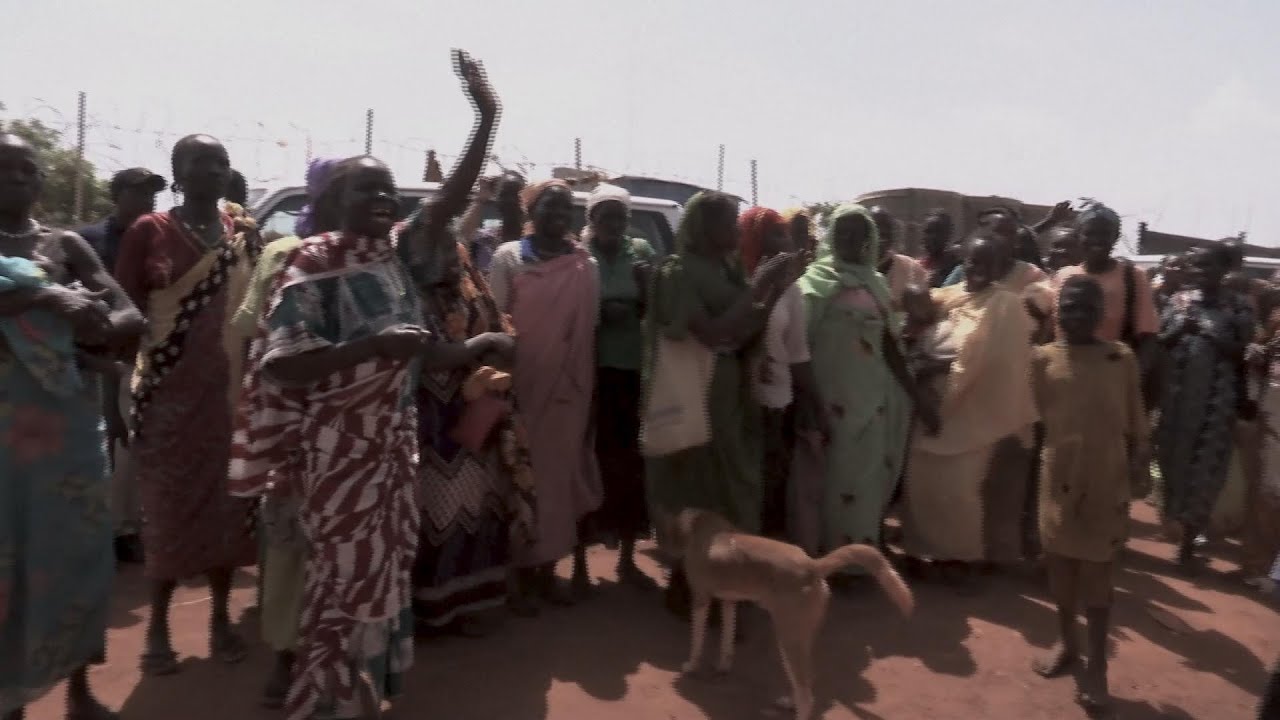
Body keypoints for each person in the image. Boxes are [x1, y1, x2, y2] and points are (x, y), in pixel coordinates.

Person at [0, 133, 146, 720]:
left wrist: (91, 326)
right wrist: (46, 301)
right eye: (3, 168)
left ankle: (78, 689)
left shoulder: (64, 244)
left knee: (75, 555)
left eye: (27, 168)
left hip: (67, 430)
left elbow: (128, 315)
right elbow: (56, 306)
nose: (17, 178)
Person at [113, 133, 259, 675]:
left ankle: (220, 617)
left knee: (229, 509)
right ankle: (157, 626)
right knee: (167, 511)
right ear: (177, 172)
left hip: (229, 398)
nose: (213, 170)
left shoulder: (241, 236)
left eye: (221, 161)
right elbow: (123, 319)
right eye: (200, 161)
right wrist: (115, 402)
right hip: (167, 398)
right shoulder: (149, 231)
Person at [643, 191, 798, 615]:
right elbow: (711, 333)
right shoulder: (676, 272)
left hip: (731, 395)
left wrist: (774, 289)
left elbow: (745, 328)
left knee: (735, 483)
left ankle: (727, 579)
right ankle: (688, 583)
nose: (735, 231)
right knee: (697, 485)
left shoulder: (728, 270)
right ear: (704, 227)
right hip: (695, 394)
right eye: (728, 223)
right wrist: (761, 284)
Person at [223, 156, 339, 708]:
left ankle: (333, 658)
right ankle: (286, 657)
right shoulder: (284, 252)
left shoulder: (378, 254)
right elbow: (251, 331)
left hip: (354, 422)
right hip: (295, 419)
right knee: (291, 543)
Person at [1031, 276, 1147, 713]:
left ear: (1102, 314)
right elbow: (1036, 422)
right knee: (1060, 570)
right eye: (1068, 307)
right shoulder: (1042, 359)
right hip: (1057, 482)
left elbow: (1137, 421)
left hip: (1106, 482)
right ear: (1057, 312)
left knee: (1098, 578)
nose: (1076, 316)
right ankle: (1067, 643)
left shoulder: (1120, 359)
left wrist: (1141, 465)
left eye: (1086, 308)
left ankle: (1097, 665)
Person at [488, 178, 602, 606]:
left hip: (569, 391)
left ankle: (548, 568)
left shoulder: (585, 265)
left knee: (556, 478)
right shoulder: (508, 257)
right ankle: (517, 572)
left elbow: (588, 332)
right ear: (531, 212)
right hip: (521, 384)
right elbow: (495, 322)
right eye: (550, 207)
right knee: (517, 474)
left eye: (566, 207)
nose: (558, 215)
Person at [901, 231, 1039, 583]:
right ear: (964, 262)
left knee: (960, 489)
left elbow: (997, 359)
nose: (978, 269)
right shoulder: (951, 294)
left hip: (972, 409)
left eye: (987, 263)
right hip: (929, 401)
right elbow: (913, 303)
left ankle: (962, 559)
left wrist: (934, 366)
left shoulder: (1007, 305)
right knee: (920, 481)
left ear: (999, 267)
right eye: (972, 261)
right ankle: (921, 549)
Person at [799, 204, 916, 571]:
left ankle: (858, 562)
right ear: (832, 237)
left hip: (872, 402)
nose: (851, 240)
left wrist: (915, 396)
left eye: (859, 234)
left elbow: (889, 344)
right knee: (831, 482)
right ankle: (829, 562)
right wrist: (808, 403)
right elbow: (799, 347)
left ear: (870, 240)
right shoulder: (813, 282)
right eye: (843, 233)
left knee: (866, 484)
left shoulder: (876, 283)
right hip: (828, 401)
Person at [77, 167, 167, 564]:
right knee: (103, 440)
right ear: (116, 194)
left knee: (131, 443)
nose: (148, 199)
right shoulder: (89, 240)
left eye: (152, 193)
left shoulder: (158, 239)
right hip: (95, 357)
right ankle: (102, 527)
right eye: (139, 191)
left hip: (143, 354)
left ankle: (125, 529)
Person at [1156, 244, 1254, 569]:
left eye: (1207, 265)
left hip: (1216, 402)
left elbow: (1243, 352)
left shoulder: (1238, 305)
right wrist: (1179, 329)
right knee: (1172, 463)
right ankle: (1174, 525)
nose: (1200, 271)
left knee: (1206, 468)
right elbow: (1161, 341)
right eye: (1195, 265)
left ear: (1223, 270)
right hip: (1177, 400)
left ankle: (1188, 542)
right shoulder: (1178, 300)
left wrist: (1210, 335)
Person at [584, 183, 657, 582]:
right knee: (593, 456)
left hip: (632, 369)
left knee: (631, 460)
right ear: (591, 219)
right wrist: (601, 312)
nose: (614, 224)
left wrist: (645, 291)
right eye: (606, 216)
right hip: (590, 369)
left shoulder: (640, 252)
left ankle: (627, 554)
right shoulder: (580, 255)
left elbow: (659, 308)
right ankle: (587, 551)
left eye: (621, 217)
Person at [739, 206, 814, 539]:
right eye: (776, 234)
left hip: (774, 397)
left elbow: (798, 353)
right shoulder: (734, 280)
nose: (786, 242)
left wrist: (814, 400)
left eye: (786, 234)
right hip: (736, 394)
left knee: (769, 473)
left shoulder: (792, 290)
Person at [458, 170, 525, 274]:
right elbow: (465, 232)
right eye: (504, 195)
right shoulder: (488, 235)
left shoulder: (535, 237)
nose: (510, 201)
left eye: (514, 195)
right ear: (497, 200)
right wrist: (481, 199)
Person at [869, 206, 929, 317]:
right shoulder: (847, 270)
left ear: (892, 235)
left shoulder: (912, 269)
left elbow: (925, 314)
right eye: (875, 231)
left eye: (885, 233)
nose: (881, 239)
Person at [918, 209, 958, 288]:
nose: (932, 237)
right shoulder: (915, 266)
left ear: (949, 234)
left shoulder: (957, 267)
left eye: (938, 231)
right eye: (928, 232)